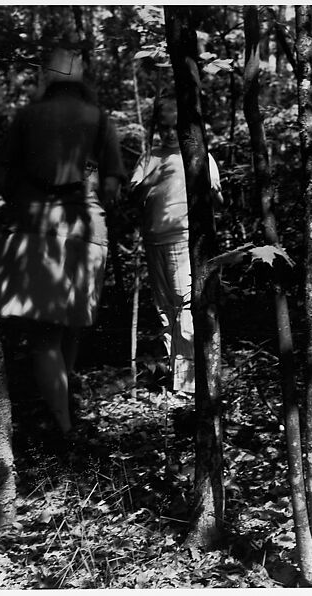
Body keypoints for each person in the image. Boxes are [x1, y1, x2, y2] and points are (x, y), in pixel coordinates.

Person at [0, 45, 126, 437]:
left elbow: (1, 173)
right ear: (81, 76)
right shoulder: (99, 119)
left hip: (35, 227)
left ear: (47, 76)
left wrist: (24, 198)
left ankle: (64, 426)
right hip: (87, 231)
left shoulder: (27, 117)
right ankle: (65, 407)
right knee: (69, 326)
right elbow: (113, 185)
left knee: (44, 335)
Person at [130, 97, 223, 396]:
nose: (169, 133)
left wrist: (211, 191)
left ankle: (190, 385)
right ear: (156, 127)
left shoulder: (199, 155)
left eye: (174, 126)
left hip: (184, 238)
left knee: (185, 305)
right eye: (163, 127)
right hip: (154, 240)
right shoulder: (149, 158)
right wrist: (152, 178)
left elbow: (217, 201)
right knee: (164, 310)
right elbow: (131, 199)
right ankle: (176, 377)